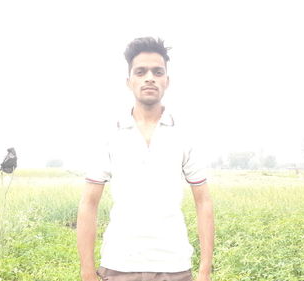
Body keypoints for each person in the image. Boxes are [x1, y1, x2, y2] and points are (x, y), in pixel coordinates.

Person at [77, 37, 214, 281]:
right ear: (129, 81)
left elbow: (203, 203)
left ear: (167, 81)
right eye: (140, 72)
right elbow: (89, 203)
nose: (149, 77)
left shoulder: (184, 134)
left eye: (157, 71)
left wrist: (204, 270)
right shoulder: (110, 134)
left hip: (174, 266)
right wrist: (87, 270)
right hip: (120, 264)